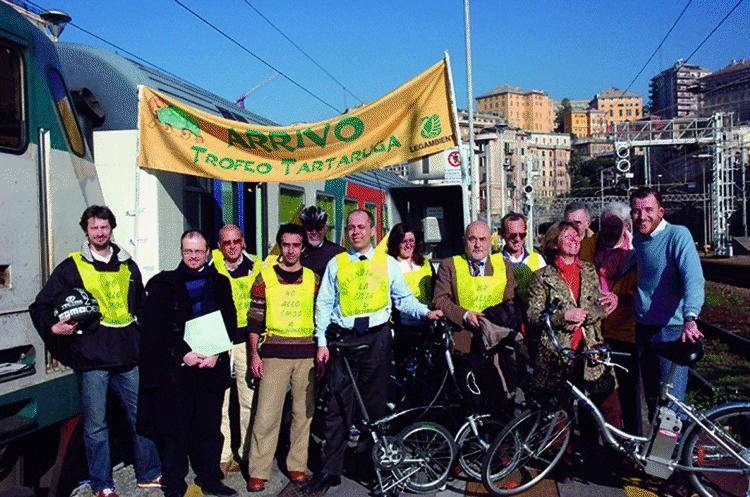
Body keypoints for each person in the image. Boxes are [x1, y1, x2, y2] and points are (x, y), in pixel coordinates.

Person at [304, 210, 443, 494]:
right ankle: (330, 470)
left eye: (361, 227)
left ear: (372, 230)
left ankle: (370, 466)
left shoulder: (388, 263)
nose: (356, 232)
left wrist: (426, 313)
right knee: (337, 408)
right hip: (344, 343)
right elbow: (324, 305)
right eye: (351, 228)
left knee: (375, 408)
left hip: (377, 341)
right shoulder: (336, 263)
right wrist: (321, 343)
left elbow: (403, 300)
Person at [29, 206, 161, 497]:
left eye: (104, 227)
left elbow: (141, 305)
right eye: (94, 228)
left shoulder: (128, 264)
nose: (100, 233)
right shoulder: (72, 266)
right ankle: (102, 484)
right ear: (86, 231)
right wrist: (53, 327)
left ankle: (150, 473)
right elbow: (40, 305)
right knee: (95, 426)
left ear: (112, 228)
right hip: (92, 360)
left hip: (128, 356)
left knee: (141, 415)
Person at [138, 230, 238, 497]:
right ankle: (174, 483)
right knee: (175, 429)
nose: (193, 256)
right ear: (181, 252)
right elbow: (157, 329)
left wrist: (216, 352)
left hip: (211, 365)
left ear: (207, 252)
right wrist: (182, 353)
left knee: (209, 427)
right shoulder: (163, 285)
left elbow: (229, 320)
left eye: (198, 251)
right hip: (178, 369)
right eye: (188, 251)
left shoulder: (220, 283)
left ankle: (210, 479)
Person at [526, 221, 621, 452]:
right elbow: (533, 316)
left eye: (576, 235)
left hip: (591, 350)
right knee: (560, 410)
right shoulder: (542, 277)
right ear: (555, 243)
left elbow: (599, 304)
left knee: (606, 405)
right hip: (559, 353)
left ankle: (608, 455)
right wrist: (563, 316)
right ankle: (561, 460)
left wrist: (602, 307)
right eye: (567, 236)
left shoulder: (588, 270)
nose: (574, 239)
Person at [246, 224, 319, 492]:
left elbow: (321, 319)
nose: (291, 250)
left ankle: (297, 466)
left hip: (306, 356)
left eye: (296, 245)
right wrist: (254, 354)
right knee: (266, 415)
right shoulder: (264, 277)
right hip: (274, 355)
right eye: (286, 245)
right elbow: (254, 320)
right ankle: (258, 471)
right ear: (280, 246)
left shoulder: (314, 279)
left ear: (302, 247)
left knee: (303, 414)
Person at [630, 188, 704, 416]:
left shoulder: (677, 235)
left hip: (671, 329)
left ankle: (678, 450)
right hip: (645, 329)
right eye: (636, 211)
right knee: (653, 398)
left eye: (649, 210)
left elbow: (693, 278)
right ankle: (657, 451)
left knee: (670, 404)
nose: (642, 216)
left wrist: (690, 318)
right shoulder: (639, 240)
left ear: (661, 212)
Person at [579, 201, 641, 434]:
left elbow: (647, 286)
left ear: (626, 226)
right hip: (593, 331)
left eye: (615, 227)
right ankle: (592, 442)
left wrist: (622, 298)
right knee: (592, 390)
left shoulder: (637, 250)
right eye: (605, 226)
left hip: (626, 331)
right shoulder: (587, 247)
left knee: (628, 392)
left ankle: (632, 439)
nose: (609, 232)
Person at [210, 224, 262, 474]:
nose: (231, 247)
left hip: (245, 341)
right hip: (219, 341)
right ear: (220, 246)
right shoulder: (212, 266)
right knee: (220, 401)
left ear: (243, 242)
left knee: (248, 400)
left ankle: (247, 453)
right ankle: (222, 455)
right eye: (226, 243)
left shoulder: (257, 266)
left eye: (236, 241)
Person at [432, 221, 515, 354]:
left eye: (483, 239)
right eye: (472, 239)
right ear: (464, 241)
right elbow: (440, 300)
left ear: (490, 241)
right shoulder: (448, 265)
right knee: (463, 371)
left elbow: (510, 300)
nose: (478, 245)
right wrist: (465, 315)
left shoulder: (504, 265)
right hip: (462, 334)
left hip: (495, 334)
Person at [499, 212, 546, 311]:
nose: (517, 239)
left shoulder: (538, 259)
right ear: (503, 234)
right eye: (512, 235)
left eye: (522, 235)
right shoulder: (494, 261)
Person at [299, 205, 346, 277]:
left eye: (318, 228)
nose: (314, 232)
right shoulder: (295, 252)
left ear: (325, 228)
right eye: (309, 228)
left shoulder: (339, 253)